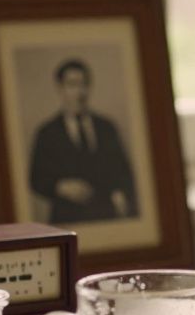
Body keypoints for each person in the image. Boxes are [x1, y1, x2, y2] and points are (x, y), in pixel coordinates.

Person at [28, 58, 138, 224]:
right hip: (67, 219)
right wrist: (61, 187)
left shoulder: (106, 128)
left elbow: (123, 170)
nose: (80, 93)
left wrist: (120, 193)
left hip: (105, 215)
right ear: (61, 89)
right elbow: (36, 179)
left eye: (84, 85)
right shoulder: (47, 133)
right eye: (72, 85)